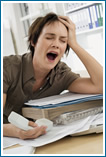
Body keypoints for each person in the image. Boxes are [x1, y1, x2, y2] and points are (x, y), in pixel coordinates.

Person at [3, 12, 103, 140]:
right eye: (49, 37)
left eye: (63, 40)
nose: (56, 44)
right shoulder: (7, 67)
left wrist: (75, 44)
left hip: (41, 140)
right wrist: (15, 131)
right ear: (34, 41)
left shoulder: (61, 74)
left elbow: (101, 85)